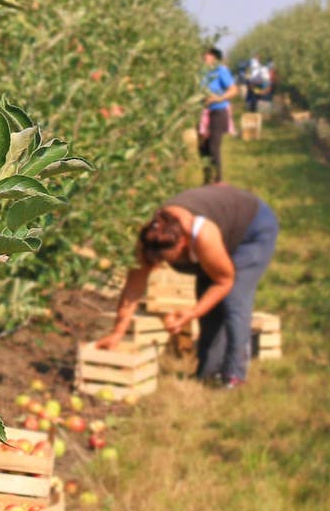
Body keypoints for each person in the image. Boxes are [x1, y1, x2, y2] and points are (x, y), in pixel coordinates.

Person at [96, 184, 279, 387]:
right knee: (206, 299)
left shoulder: (203, 234)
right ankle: (208, 373)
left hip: (252, 229)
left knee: (234, 299)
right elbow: (133, 289)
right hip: (220, 230)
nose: (163, 264)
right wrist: (118, 333)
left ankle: (234, 375)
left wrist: (191, 313)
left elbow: (224, 281)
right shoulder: (150, 238)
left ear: (183, 242)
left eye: (168, 259)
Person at [198, 47, 238, 183]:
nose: (205, 57)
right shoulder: (200, 72)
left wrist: (218, 98)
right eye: (204, 54)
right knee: (203, 148)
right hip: (202, 113)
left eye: (207, 54)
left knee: (214, 147)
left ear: (214, 57)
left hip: (218, 111)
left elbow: (233, 90)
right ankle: (207, 179)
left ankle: (218, 180)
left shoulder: (221, 71)